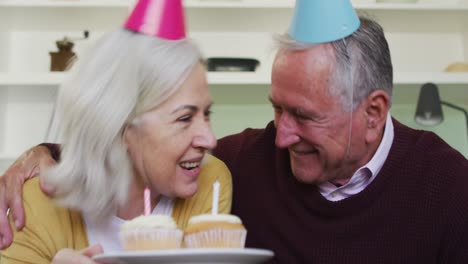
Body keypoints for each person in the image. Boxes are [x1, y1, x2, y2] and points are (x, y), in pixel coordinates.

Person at [2, 1, 468, 263]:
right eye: (276, 110)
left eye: (304, 116)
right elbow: (139, 151)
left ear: (373, 112)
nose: (281, 136)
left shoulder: (451, 190)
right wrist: (47, 154)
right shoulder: (239, 163)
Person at [0, 0, 232, 263]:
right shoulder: (37, 205)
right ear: (120, 127)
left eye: (206, 114)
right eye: (185, 118)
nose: (210, 139)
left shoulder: (208, 182)